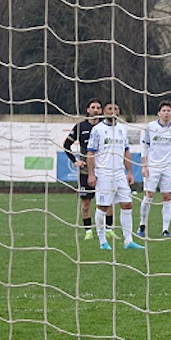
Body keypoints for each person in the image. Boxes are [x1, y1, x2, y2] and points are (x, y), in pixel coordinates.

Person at [86, 102, 145, 251]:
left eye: (116, 109)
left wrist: (129, 172)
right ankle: (102, 241)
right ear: (104, 112)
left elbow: (126, 151)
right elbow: (91, 153)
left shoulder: (122, 130)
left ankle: (128, 241)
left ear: (119, 112)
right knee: (103, 206)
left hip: (120, 173)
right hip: (104, 173)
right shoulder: (97, 130)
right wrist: (91, 174)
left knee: (127, 204)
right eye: (109, 109)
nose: (113, 112)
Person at [63, 98, 114, 240]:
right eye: (93, 107)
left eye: (98, 107)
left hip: (104, 169)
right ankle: (88, 231)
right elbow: (66, 145)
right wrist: (75, 161)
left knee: (107, 201)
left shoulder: (108, 126)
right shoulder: (80, 127)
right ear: (88, 109)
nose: (96, 110)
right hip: (86, 171)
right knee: (86, 202)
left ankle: (109, 229)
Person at [137, 101, 171, 238]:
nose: (166, 113)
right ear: (159, 113)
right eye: (164, 110)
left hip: (168, 168)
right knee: (148, 196)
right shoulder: (150, 127)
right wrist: (144, 165)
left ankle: (165, 229)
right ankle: (142, 225)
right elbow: (144, 147)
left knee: (167, 197)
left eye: (169, 110)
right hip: (153, 167)